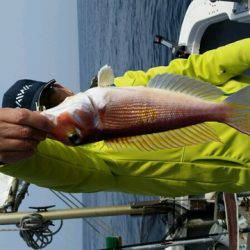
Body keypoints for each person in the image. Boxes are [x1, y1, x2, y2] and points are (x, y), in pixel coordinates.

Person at [0, 39, 249, 197]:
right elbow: (61, 169)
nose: (56, 110)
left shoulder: (125, 83)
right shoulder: (92, 162)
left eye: (51, 97)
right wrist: (11, 157)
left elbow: (201, 68)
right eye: (44, 113)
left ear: (62, 87)